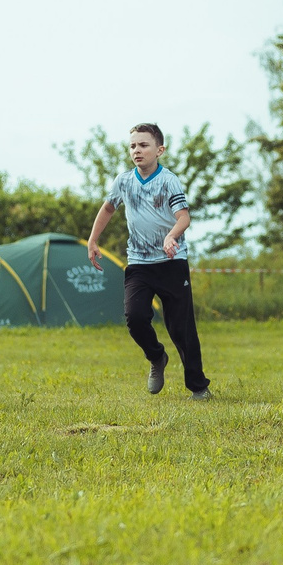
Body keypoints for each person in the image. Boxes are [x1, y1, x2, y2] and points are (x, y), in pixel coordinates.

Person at [85, 123, 211, 398]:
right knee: (135, 317)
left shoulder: (169, 181)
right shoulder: (124, 181)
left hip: (171, 262)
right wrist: (93, 240)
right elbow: (108, 208)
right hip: (139, 264)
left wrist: (171, 236)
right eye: (132, 146)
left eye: (143, 145)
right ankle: (157, 357)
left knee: (181, 329)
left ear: (159, 150)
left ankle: (199, 388)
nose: (137, 150)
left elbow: (184, 217)